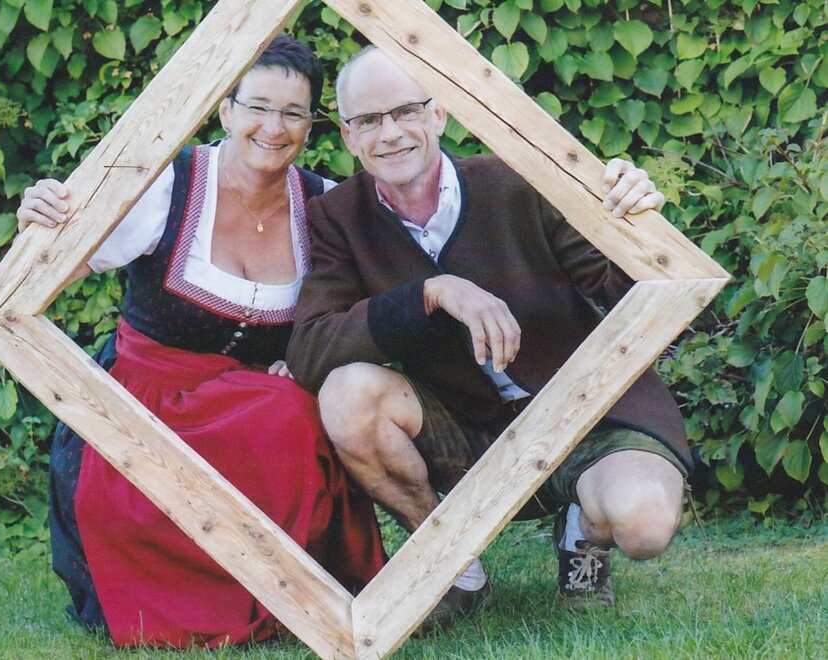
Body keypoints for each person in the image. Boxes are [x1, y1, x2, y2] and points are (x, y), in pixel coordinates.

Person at [286, 46, 688, 632]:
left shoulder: (518, 181)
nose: (390, 133)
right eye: (368, 120)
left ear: (439, 114)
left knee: (645, 527)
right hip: (464, 426)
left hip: (587, 413)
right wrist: (430, 294)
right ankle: (452, 565)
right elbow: (310, 349)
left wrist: (636, 221)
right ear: (348, 136)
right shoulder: (336, 216)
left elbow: (618, 287)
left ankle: (582, 531)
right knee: (347, 393)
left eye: (405, 111)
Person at [15, 36, 385, 649]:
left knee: (292, 416)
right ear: (225, 110)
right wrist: (39, 224)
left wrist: (310, 363)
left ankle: (282, 592)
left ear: (312, 124)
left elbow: (372, 305)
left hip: (256, 410)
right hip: (147, 402)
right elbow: (44, 274)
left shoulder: (323, 204)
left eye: (293, 113)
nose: (274, 127)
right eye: (257, 106)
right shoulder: (167, 185)